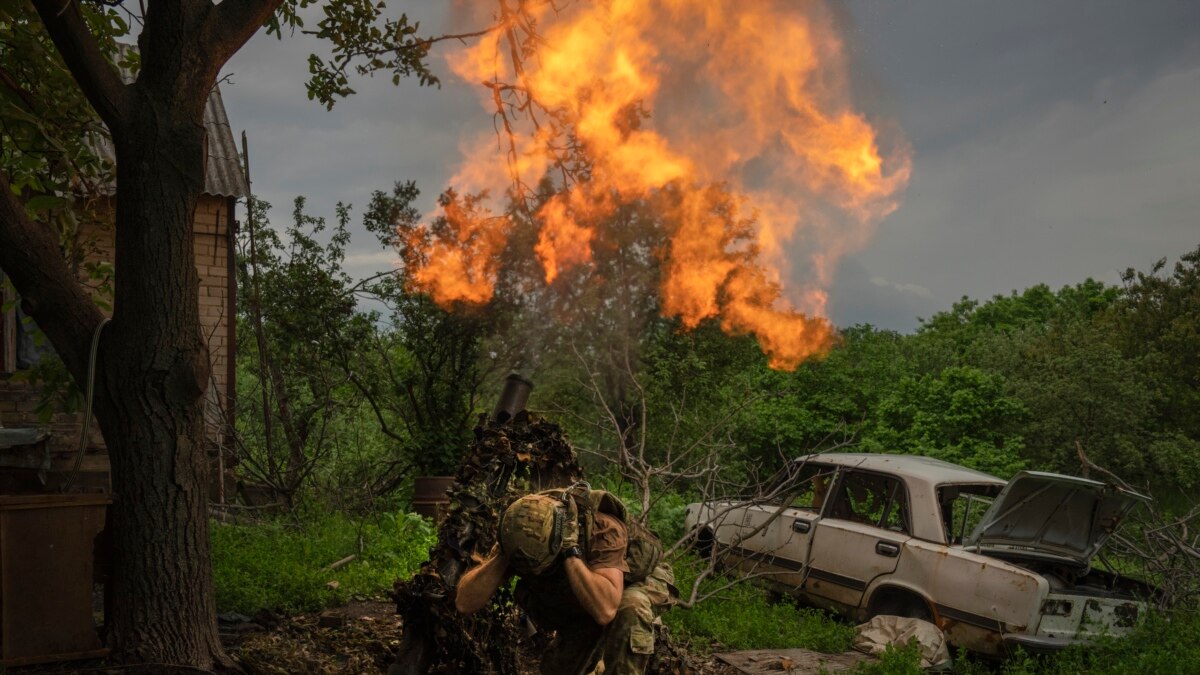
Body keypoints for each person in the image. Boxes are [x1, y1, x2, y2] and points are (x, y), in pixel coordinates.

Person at [455, 491, 674, 675]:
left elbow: (606, 609)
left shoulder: (601, 527)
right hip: (586, 590)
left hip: (634, 580)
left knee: (630, 607)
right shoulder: (520, 529)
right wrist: (502, 557)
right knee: (558, 669)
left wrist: (571, 552)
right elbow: (464, 603)